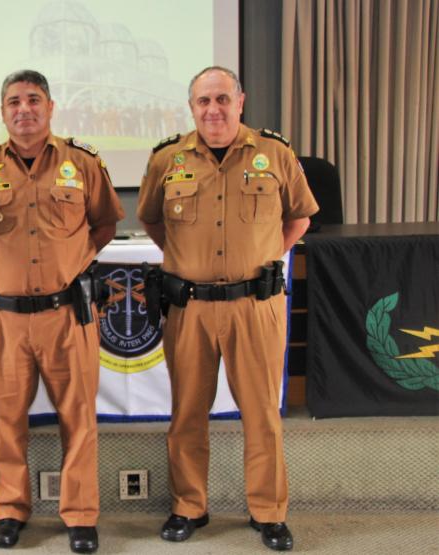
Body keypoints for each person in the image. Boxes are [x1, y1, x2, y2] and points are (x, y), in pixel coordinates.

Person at [137, 66, 319, 552]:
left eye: (222, 99)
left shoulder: (275, 153)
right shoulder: (167, 159)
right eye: (202, 101)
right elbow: (155, 223)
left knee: (261, 414)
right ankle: (188, 506)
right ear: (191, 107)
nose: (212, 110)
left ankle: (268, 512)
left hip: (254, 306)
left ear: (241, 101)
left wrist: (259, 260)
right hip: (189, 308)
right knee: (187, 414)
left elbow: (299, 217)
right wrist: (188, 263)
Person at [0, 70, 124, 554]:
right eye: (13, 102)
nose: (23, 109)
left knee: (78, 418)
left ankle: (80, 516)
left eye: (34, 100)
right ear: (3, 111)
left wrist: (69, 264)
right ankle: (10, 509)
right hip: (5, 319)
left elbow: (105, 223)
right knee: (6, 421)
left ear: (51, 107)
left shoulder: (83, 162)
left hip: (66, 314)